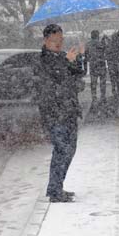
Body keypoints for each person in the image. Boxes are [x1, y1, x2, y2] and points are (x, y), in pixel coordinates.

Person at [35, 23, 86, 203]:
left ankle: (58, 186)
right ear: (46, 40)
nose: (58, 43)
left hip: (69, 110)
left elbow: (79, 75)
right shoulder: (43, 60)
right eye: (54, 40)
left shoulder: (63, 57)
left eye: (61, 40)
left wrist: (79, 57)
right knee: (62, 150)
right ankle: (55, 191)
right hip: (54, 112)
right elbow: (54, 81)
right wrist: (67, 63)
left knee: (70, 150)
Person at [84, 30, 106, 104]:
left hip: (93, 66)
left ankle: (94, 97)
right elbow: (106, 52)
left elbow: (86, 56)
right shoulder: (102, 44)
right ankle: (103, 97)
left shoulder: (88, 44)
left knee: (93, 83)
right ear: (98, 36)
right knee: (102, 83)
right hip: (101, 65)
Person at [108, 31, 119, 101]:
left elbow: (108, 55)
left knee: (114, 79)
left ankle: (115, 92)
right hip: (117, 64)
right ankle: (118, 92)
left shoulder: (111, 45)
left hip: (113, 65)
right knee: (118, 79)